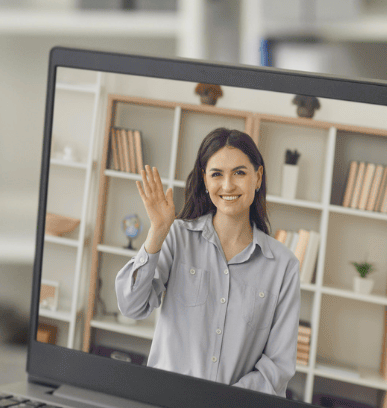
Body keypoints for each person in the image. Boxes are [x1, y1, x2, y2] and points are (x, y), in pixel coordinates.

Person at [114, 128, 301, 394]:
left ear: (257, 177)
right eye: (216, 174)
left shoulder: (284, 266)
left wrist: (224, 403)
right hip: (165, 405)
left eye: (239, 172)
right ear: (204, 180)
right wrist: (157, 231)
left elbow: (278, 366)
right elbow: (131, 306)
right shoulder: (176, 237)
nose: (227, 186)